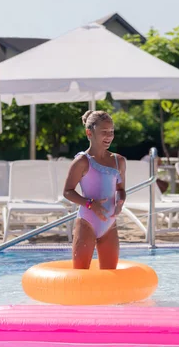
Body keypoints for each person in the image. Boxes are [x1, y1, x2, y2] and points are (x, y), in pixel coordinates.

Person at [63, 110, 127, 270]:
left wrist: (120, 200)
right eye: (104, 132)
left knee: (110, 276)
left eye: (111, 132)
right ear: (89, 133)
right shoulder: (82, 162)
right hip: (87, 223)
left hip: (110, 224)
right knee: (80, 275)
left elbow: (121, 189)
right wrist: (91, 204)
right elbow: (68, 191)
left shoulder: (118, 161)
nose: (109, 136)